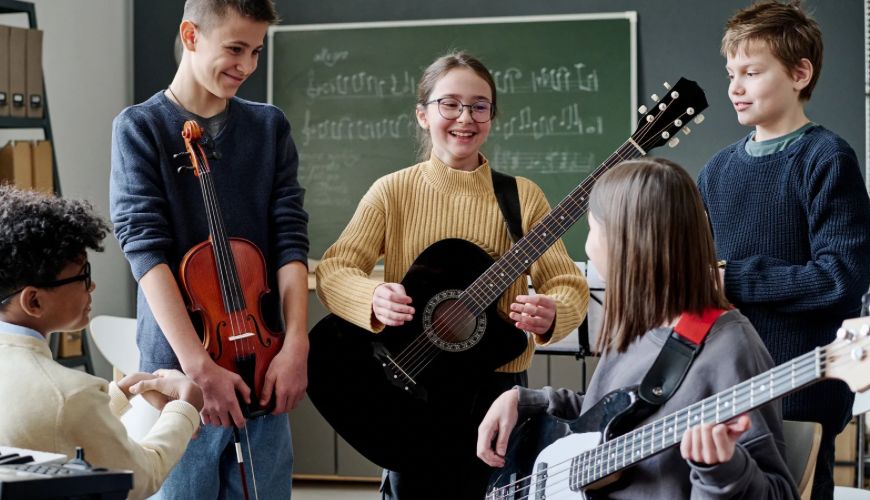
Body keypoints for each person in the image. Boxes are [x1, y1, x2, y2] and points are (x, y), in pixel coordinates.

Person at [315, 51, 589, 500]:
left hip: (497, 392)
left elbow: (566, 282)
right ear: (423, 115)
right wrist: (372, 297)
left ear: (492, 117)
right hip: (412, 388)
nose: (465, 117)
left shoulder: (523, 197)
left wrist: (555, 310)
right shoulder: (392, 191)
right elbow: (336, 268)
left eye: (480, 106)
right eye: (450, 104)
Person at [477, 158, 799, 499]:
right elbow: (606, 419)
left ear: (625, 242)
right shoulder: (640, 324)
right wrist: (525, 400)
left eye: (592, 229)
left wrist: (723, 470)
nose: (587, 246)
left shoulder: (732, 349)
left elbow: (779, 493)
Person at [109, 0, 309, 497]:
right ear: (191, 35)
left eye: (256, 52)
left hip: (264, 363)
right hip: (179, 379)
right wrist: (199, 368)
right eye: (235, 48)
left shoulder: (268, 127)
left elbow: (290, 239)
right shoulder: (140, 127)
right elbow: (144, 250)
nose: (246, 66)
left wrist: (297, 343)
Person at [698, 2, 870, 498]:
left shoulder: (826, 157)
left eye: (751, 72)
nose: (735, 86)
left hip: (801, 389)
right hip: (723, 387)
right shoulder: (716, 170)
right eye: (731, 73)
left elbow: (841, 278)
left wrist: (734, 279)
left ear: (799, 73)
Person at [0, 185, 204, 500]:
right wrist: (185, 407)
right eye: (83, 275)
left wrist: (114, 397)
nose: (92, 285)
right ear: (34, 302)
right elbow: (141, 477)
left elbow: (49, 423)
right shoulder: (70, 393)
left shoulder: (63, 395)